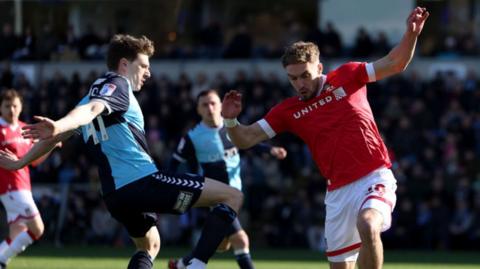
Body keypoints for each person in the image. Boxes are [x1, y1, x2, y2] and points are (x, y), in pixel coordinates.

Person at [0, 34, 243, 269]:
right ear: (125, 64)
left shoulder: (89, 94)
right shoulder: (118, 85)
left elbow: (63, 132)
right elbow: (92, 110)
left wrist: (21, 161)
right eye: (144, 65)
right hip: (142, 182)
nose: (148, 72)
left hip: (115, 196)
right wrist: (58, 125)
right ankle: (196, 265)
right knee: (233, 196)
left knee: (150, 245)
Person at [221, 7, 429, 269]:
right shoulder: (288, 110)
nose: (300, 84)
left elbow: (394, 63)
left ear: (319, 67)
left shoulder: (348, 75)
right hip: (338, 192)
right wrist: (230, 121)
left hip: (374, 176)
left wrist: (411, 35)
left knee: (368, 224)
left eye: (305, 75)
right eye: (293, 78)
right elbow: (246, 138)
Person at [168, 89, 287, 269]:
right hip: (215, 196)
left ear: (221, 106)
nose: (210, 108)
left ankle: (181, 264)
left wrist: (270, 150)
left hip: (236, 193)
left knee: (222, 243)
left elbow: (249, 142)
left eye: (213, 103)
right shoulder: (192, 136)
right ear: (198, 109)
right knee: (241, 240)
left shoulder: (232, 128)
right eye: (204, 104)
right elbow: (173, 164)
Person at [0, 89, 58, 268]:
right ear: (0, 108)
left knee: (17, 233)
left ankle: (2, 260)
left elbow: (34, 161)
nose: (12, 109)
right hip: (10, 187)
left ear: (21, 106)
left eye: (15, 105)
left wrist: (52, 145)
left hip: (24, 186)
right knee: (38, 228)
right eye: (7, 106)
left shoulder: (25, 129)